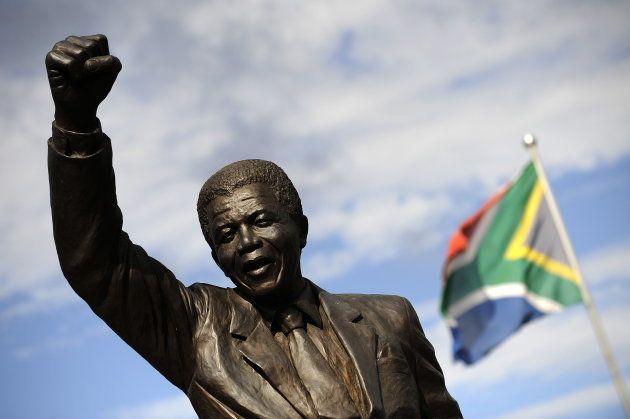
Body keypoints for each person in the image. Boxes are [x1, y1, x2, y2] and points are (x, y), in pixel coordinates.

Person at [46, 34, 462, 419]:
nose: (245, 243)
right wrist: (76, 126)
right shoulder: (198, 329)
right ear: (216, 257)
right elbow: (98, 263)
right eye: (226, 235)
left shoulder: (390, 317)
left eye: (261, 221)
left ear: (301, 229)